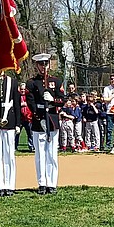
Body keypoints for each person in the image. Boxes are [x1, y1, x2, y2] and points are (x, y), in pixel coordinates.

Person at [26, 53, 65, 194]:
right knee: (40, 155)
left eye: (45, 64)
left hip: (53, 119)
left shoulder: (56, 81)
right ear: (37, 66)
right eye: (40, 64)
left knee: (52, 154)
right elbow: (30, 102)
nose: (43, 67)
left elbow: (63, 99)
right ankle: (42, 183)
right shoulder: (32, 82)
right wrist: (38, 117)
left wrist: (53, 100)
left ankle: (52, 183)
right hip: (39, 120)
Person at [17, 82, 34, 152]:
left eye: (24, 89)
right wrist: (21, 104)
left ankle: (31, 146)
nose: (23, 91)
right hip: (20, 118)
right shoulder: (17, 96)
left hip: (28, 117)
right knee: (17, 133)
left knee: (30, 133)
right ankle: (15, 146)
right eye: (21, 89)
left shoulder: (29, 96)